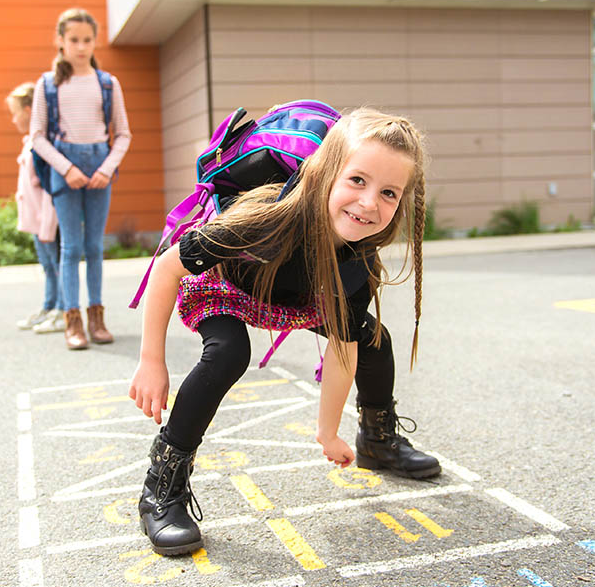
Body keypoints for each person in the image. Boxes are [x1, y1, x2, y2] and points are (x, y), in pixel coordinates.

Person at [128, 108, 442, 556]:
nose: (370, 203)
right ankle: (162, 488)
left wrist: (327, 432)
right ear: (325, 172)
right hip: (228, 283)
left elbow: (343, 348)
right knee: (229, 352)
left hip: (298, 295)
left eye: (388, 192)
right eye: (357, 181)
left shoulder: (357, 261)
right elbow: (166, 268)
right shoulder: (263, 217)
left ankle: (376, 438)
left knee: (374, 339)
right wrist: (151, 362)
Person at [29, 8, 131, 350]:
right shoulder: (48, 85)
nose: (81, 47)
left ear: (94, 41)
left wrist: (105, 168)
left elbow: (124, 134)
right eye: (73, 40)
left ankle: (97, 319)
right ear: (60, 40)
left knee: (94, 247)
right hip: (65, 167)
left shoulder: (107, 83)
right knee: (70, 247)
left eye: (87, 40)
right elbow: (38, 137)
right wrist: (67, 169)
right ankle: (72, 322)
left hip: (99, 164)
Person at [9, 82, 64, 334]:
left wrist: (47, 224)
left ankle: (62, 310)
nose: (13, 119)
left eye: (15, 112)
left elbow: (47, 189)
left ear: (30, 111)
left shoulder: (40, 146)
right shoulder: (29, 142)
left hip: (46, 221)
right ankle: (49, 306)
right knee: (47, 266)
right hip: (36, 221)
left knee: (56, 264)